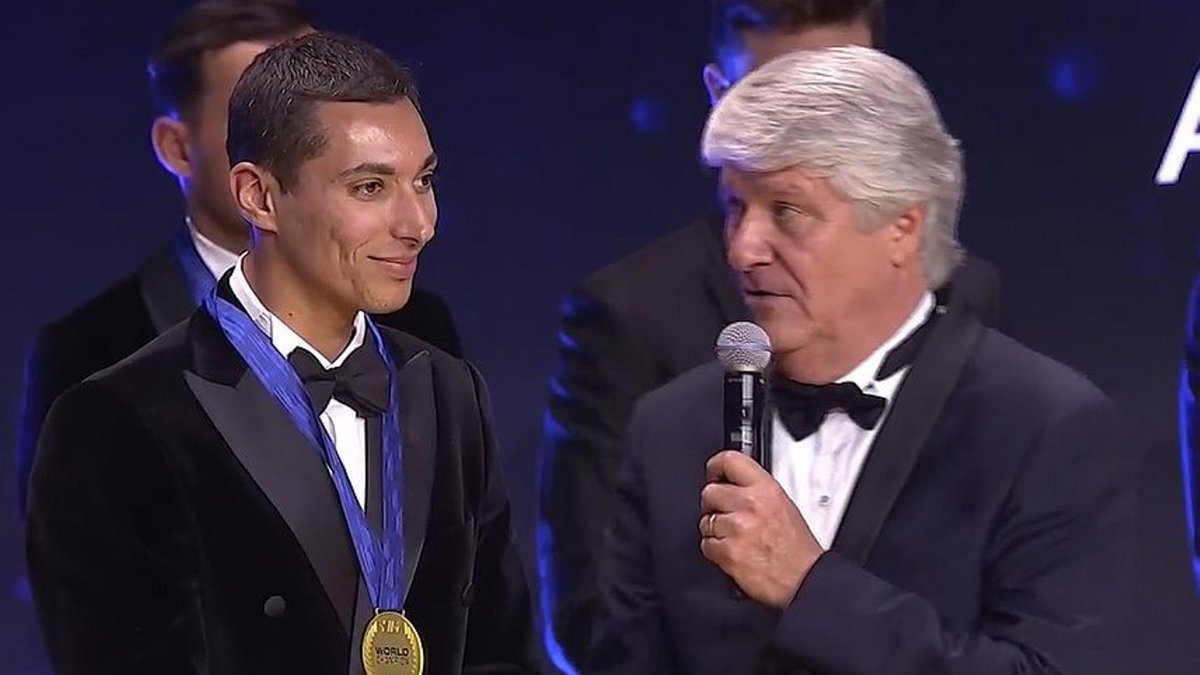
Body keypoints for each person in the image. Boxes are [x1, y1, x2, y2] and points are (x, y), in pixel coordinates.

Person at [587, 46, 1132, 674]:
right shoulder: (671, 426)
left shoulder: (1046, 426)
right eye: (735, 206)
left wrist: (811, 586)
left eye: (786, 211)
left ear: (902, 225)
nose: (742, 250)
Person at [26, 32, 538, 675]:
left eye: (424, 180)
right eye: (371, 187)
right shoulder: (118, 419)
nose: (418, 223)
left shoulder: (448, 391)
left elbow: (502, 652)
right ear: (259, 197)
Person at [536, 1, 1002, 666]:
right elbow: (595, 621)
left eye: (839, 99)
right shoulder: (631, 316)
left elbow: (1004, 594)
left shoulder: (962, 294)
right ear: (718, 97)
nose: (808, 133)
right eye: (774, 98)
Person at [14, 0, 464, 520]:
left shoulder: (422, 332)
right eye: (256, 109)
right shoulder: (93, 353)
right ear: (178, 148)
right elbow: (82, 581)